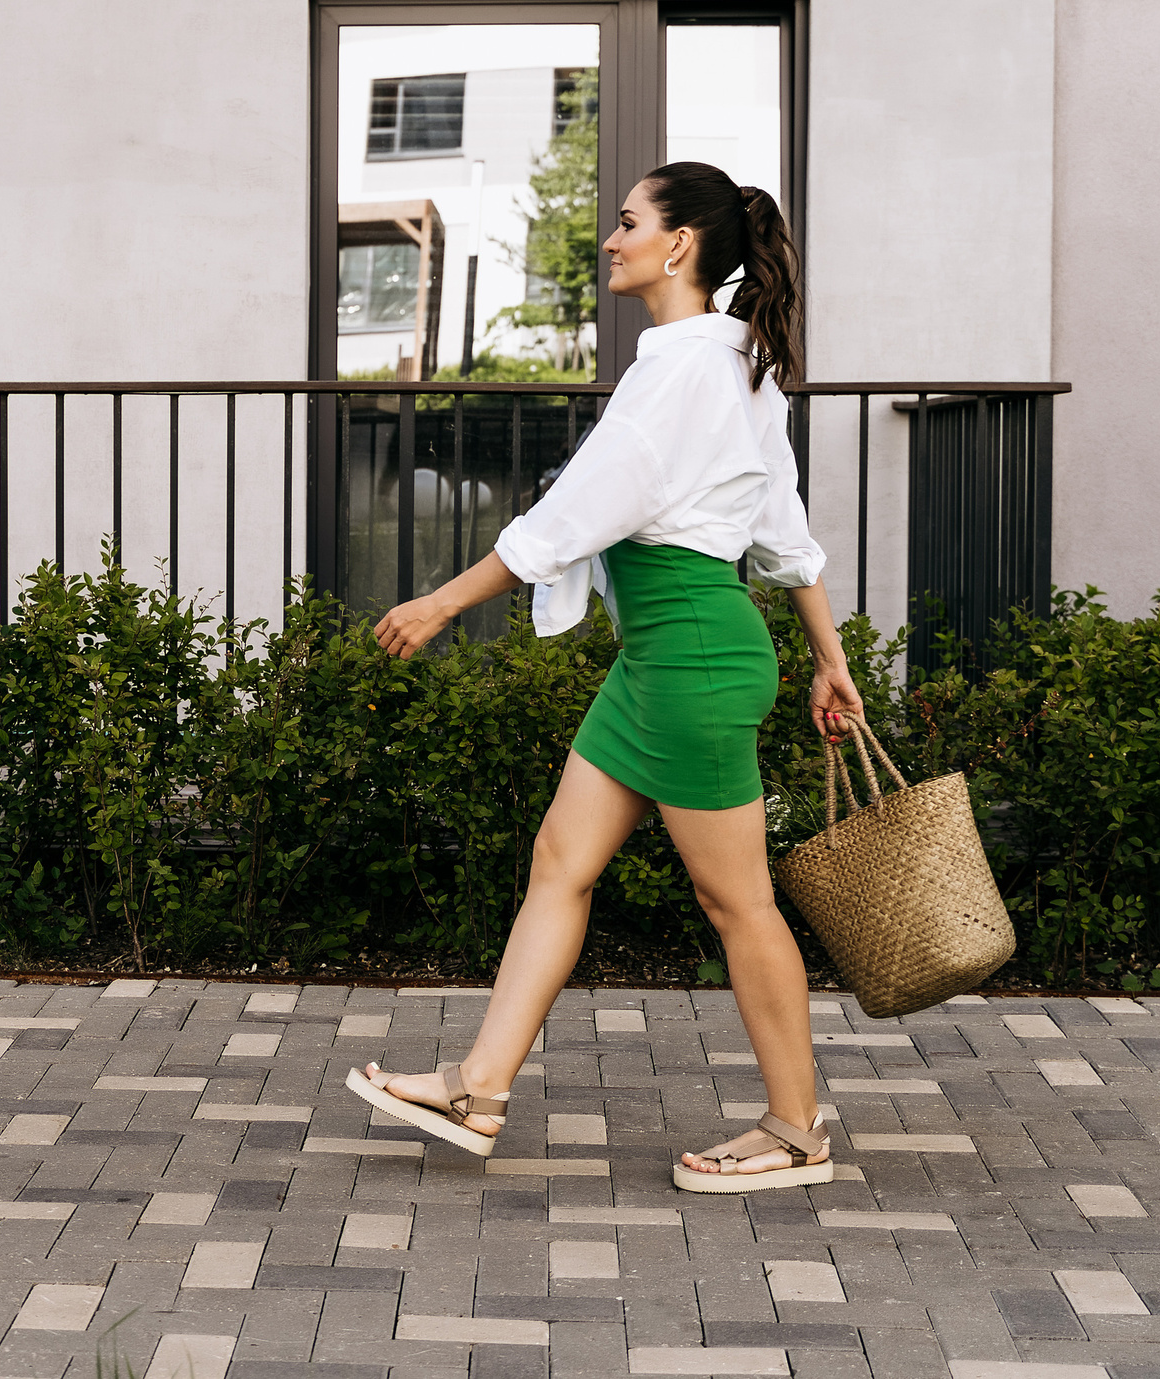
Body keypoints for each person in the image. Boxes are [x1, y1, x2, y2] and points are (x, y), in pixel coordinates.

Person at [342, 161, 864, 1192]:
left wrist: (441, 603)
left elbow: (572, 516)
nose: (612, 240)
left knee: (738, 903)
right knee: (561, 861)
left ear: (678, 245)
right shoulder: (738, 368)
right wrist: (829, 659)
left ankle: (796, 1130)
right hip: (664, 659)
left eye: (628, 222)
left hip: (691, 659)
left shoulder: (683, 373)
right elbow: (785, 537)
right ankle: (478, 1088)